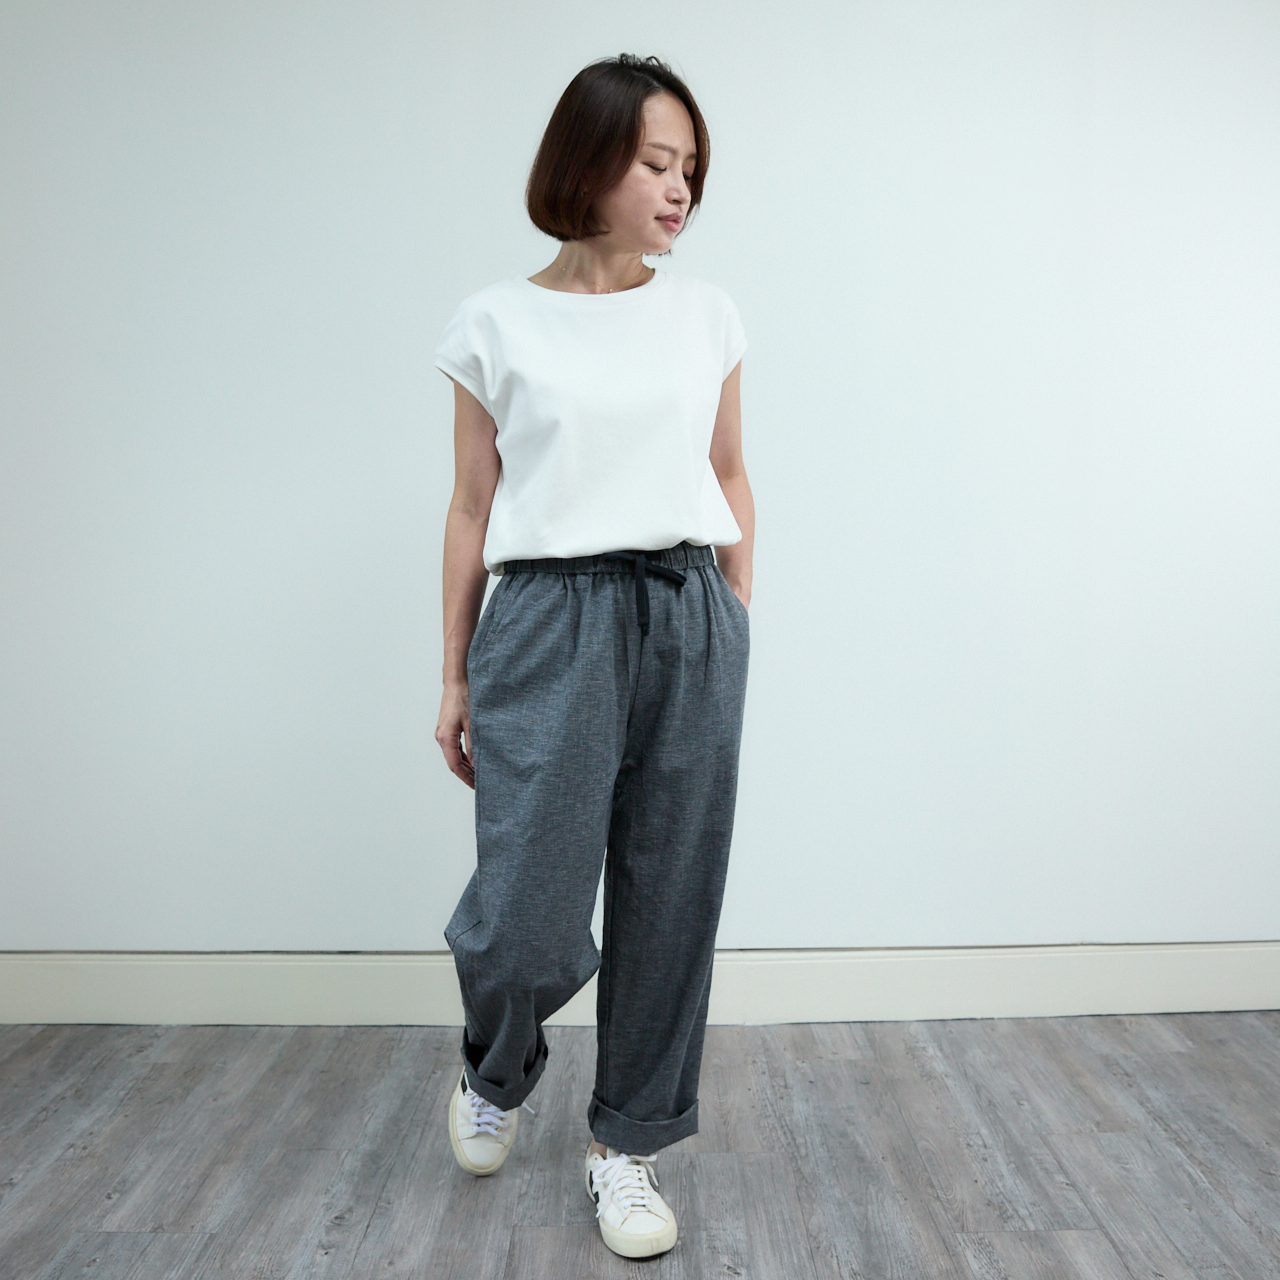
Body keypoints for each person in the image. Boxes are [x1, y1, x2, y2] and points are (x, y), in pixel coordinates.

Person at [432, 52, 753, 1260]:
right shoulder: (493, 321)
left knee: (672, 892)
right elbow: (471, 505)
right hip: (547, 617)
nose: (679, 189)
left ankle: (627, 1145)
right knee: (522, 913)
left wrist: (731, 615)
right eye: (655, 163)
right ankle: (495, 1067)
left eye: (689, 169)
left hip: (685, 608)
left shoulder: (706, 313)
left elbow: (730, 474)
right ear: (588, 164)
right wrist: (454, 672)